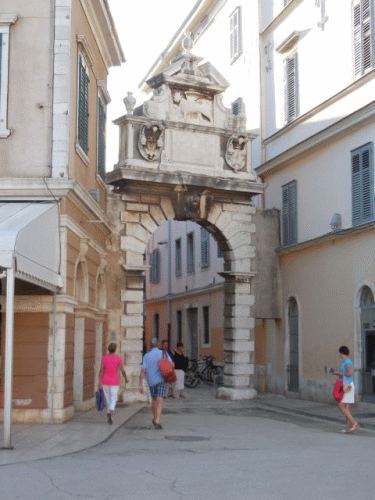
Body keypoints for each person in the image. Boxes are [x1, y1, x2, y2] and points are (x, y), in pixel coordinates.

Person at [139, 338, 168, 429]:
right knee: (160, 399)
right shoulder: (163, 353)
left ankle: (155, 417)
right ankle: (157, 420)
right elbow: (172, 364)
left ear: (150, 345)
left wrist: (140, 384)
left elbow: (143, 370)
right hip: (161, 379)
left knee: (154, 399)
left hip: (151, 381)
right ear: (158, 344)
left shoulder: (146, 356)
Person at [98, 342, 128, 425]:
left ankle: (110, 416)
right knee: (113, 397)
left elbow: (101, 371)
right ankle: (111, 411)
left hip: (105, 381)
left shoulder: (104, 358)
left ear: (108, 349)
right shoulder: (118, 359)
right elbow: (122, 370)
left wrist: (99, 381)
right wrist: (126, 378)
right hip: (114, 381)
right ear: (115, 350)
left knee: (108, 399)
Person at [331, 345, 360, 433]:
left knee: (341, 405)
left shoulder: (347, 362)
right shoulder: (346, 361)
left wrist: (339, 373)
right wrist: (338, 372)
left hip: (347, 386)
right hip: (346, 385)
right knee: (346, 407)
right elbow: (345, 373)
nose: (339, 354)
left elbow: (349, 373)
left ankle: (354, 423)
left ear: (342, 353)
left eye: (340, 353)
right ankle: (348, 427)